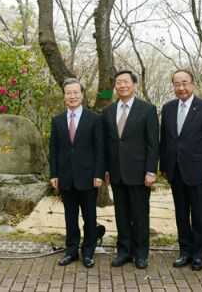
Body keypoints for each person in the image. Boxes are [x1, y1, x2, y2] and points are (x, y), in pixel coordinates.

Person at [159, 69, 202, 271]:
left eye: (185, 83)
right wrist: (164, 167)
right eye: (177, 84)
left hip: (199, 171)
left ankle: (199, 255)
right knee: (181, 215)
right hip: (175, 171)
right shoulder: (167, 108)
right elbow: (165, 140)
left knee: (200, 215)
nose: (181, 88)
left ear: (193, 84)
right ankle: (185, 252)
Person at [102, 70, 159, 269]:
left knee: (140, 215)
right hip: (116, 172)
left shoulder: (147, 109)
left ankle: (141, 254)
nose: (122, 85)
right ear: (115, 86)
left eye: (126, 82)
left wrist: (151, 171)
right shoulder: (108, 111)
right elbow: (107, 143)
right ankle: (123, 252)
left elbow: (153, 143)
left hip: (139, 173)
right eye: (118, 82)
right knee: (122, 215)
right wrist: (106, 169)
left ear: (134, 84)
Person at [49, 78, 105, 269]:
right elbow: (54, 149)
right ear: (64, 96)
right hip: (65, 177)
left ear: (82, 95)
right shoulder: (56, 120)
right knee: (69, 216)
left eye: (75, 92)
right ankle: (71, 251)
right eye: (68, 93)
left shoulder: (94, 119)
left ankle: (88, 252)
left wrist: (98, 174)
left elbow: (100, 149)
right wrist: (54, 174)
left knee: (89, 217)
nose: (72, 96)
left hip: (88, 177)